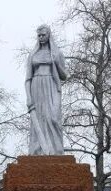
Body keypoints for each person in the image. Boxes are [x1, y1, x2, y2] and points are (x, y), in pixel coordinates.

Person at [25, 25, 68, 155]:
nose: (41, 37)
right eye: (39, 35)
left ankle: (56, 150)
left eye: (43, 35)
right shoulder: (33, 54)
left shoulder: (56, 53)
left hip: (51, 86)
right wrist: (28, 96)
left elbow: (64, 76)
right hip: (36, 86)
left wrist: (56, 62)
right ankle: (39, 150)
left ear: (49, 35)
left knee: (53, 117)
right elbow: (28, 78)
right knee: (39, 118)